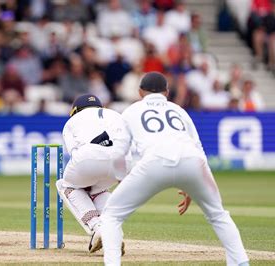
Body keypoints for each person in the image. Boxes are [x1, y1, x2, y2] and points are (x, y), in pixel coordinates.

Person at [100, 72, 249, 265]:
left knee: (111, 215)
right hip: (193, 163)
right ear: (167, 92)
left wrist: (121, 177)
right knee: (218, 215)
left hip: (154, 162)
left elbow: (119, 152)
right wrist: (194, 182)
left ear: (139, 92)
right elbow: (198, 147)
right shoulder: (179, 110)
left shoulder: (131, 111)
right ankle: (241, 263)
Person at [57, 94, 130, 253]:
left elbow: (75, 152)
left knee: (66, 185)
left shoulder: (71, 122)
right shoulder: (114, 114)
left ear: (75, 110)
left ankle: (98, 227)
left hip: (89, 155)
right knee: (98, 190)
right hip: (123, 160)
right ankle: (113, 231)